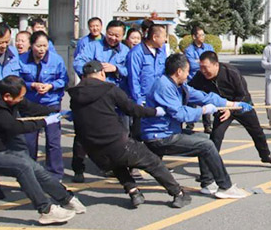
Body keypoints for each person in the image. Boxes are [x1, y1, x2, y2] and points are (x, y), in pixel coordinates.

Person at [68, 61, 191, 208]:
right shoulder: (109, 89)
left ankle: (134, 192)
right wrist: (154, 112)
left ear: (84, 76)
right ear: (102, 73)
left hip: (94, 149)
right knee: (152, 162)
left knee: (115, 163)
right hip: (117, 143)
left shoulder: (75, 95)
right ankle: (178, 193)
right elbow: (132, 109)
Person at [141, 54, 251, 199]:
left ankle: (207, 183)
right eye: (187, 71)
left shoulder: (178, 85)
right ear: (179, 71)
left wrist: (232, 104)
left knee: (206, 139)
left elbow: (203, 96)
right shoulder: (164, 86)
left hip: (169, 131)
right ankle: (226, 186)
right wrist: (203, 110)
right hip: (159, 137)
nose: (189, 75)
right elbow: (180, 114)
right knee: (207, 145)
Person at [0, 75, 85, 224]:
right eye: (20, 97)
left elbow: (29, 107)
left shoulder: (6, 93)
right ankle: (46, 210)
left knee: (34, 167)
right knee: (22, 167)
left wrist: (54, 112)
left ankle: (66, 198)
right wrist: (44, 122)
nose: (22, 99)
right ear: (7, 97)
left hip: (1, 145)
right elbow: (13, 127)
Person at [190, 51, 271, 166]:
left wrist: (231, 109)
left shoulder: (231, 72)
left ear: (216, 65)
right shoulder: (200, 76)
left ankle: (265, 155)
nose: (203, 71)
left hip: (242, 105)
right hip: (222, 109)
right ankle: (210, 168)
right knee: (216, 136)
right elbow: (189, 90)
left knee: (257, 132)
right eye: (201, 67)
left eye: (205, 67)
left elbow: (243, 94)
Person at [71, 20, 130, 182]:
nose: (113, 38)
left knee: (117, 134)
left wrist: (116, 68)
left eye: (117, 36)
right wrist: (94, 70)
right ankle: (78, 168)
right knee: (83, 134)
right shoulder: (93, 46)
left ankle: (113, 167)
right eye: (110, 34)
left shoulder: (126, 51)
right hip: (92, 97)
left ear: (122, 36)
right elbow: (78, 62)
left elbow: (130, 71)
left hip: (113, 98)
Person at [20, 31, 69, 180]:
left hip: (51, 104)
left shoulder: (56, 60)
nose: (42, 49)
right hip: (30, 105)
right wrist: (31, 85)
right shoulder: (21, 60)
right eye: (38, 46)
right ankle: (29, 173)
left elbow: (64, 80)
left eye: (44, 46)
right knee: (29, 142)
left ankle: (55, 174)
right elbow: (16, 80)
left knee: (53, 141)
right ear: (31, 45)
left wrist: (51, 86)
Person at [0, 22, 21, 199]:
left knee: (13, 144)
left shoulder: (13, 54)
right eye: (0, 42)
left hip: (11, 107)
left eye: (6, 42)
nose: (4, 46)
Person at [127, 24, 167, 139]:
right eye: (164, 36)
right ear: (154, 37)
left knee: (155, 133)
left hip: (158, 99)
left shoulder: (161, 51)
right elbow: (133, 78)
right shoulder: (136, 53)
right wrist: (138, 100)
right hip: (143, 101)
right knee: (139, 134)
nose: (165, 39)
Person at [183, 25, 215, 133]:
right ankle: (190, 125)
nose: (202, 37)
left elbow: (213, 62)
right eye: (200, 35)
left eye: (203, 35)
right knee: (191, 102)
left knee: (206, 101)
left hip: (206, 79)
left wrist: (198, 62)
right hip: (193, 80)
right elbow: (192, 65)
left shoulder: (209, 47)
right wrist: (204, 64)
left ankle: (207, 125)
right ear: (194, 36)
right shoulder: (189, 50)